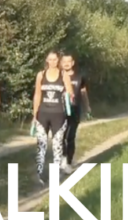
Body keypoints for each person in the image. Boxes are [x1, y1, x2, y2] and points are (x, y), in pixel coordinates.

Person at [32, 50, 75, 185]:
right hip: (42, 114)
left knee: (57, 145)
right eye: (50, 59)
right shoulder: (41, 74)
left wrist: (69, 96)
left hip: (59, 115)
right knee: (41, 144)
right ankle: (39, 173)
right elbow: (37, 95)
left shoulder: (63, 75)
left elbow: (70, 92)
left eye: (55, 59)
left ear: (58, 60)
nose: (52, 62)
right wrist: (34, 114)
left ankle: (55, 175)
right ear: (47, 60)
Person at [60, 53, 91, 169]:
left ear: (72, 63)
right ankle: (63, 158)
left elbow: (83, 92)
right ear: (61, 63)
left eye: (69, 61)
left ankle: (70, 160)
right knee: (60, 135)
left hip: (75, 109)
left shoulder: (80, 77)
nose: (66, 64)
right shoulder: (58, 77)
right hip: (60, 110)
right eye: (64, 62)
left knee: (70, 136)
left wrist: (87, 106)